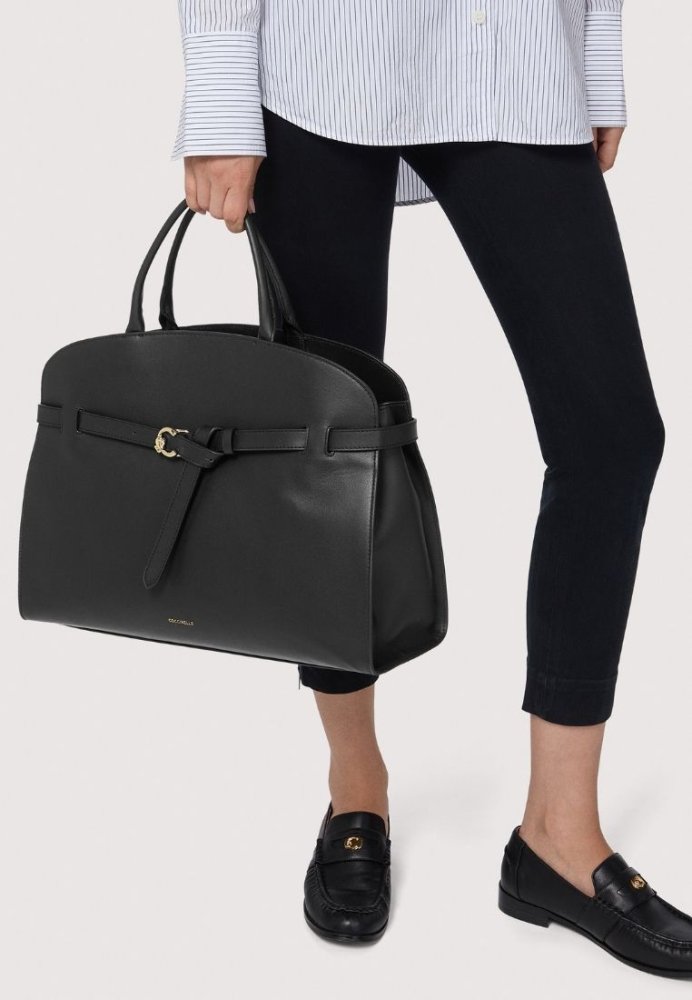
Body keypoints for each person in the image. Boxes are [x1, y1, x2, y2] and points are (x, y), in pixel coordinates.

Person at [171, 1, 692, 974]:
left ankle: (557, 836)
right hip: (321, 62)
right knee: (325, 450)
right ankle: (355, 784)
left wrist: (595, 51)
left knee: (613, 437)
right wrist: (220, 98)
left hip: (518, 52)